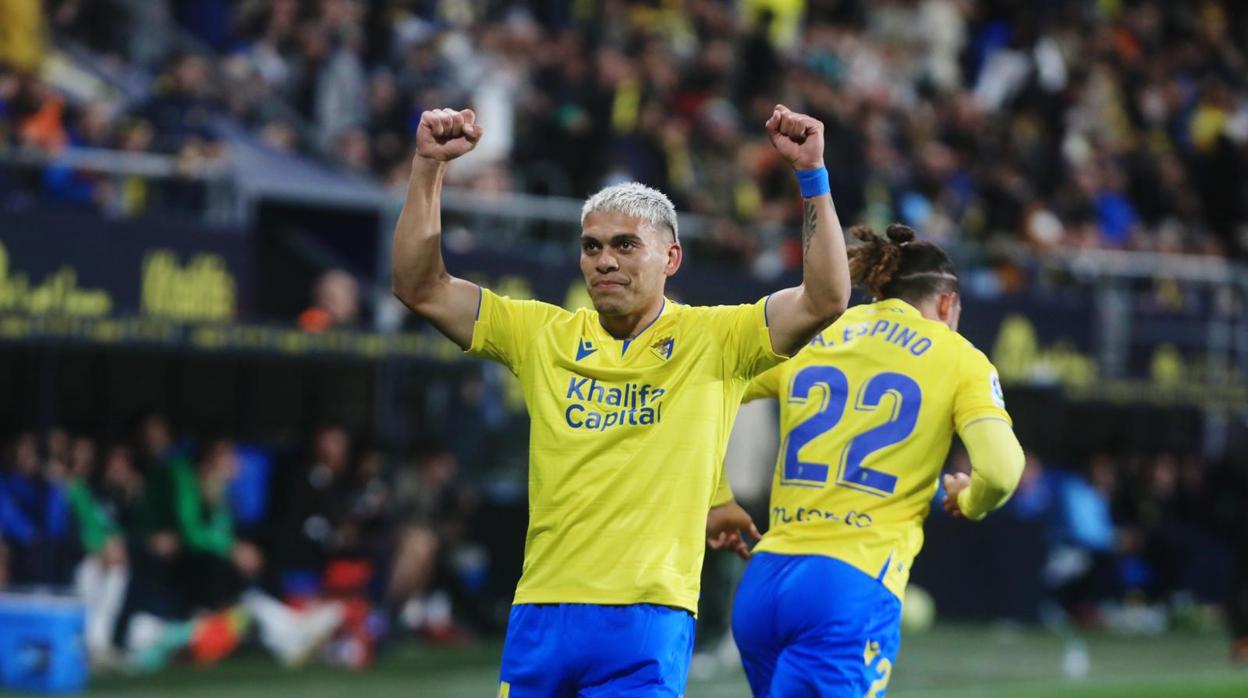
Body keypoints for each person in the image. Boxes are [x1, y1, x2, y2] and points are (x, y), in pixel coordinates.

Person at [390, 103, 851, 696]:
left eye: (626, 245)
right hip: (541, 612)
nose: (604, 260)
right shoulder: (542, 335)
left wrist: (811, 175)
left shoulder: (717, 339)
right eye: (592, 247)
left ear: (671, 258)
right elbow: (419, 286)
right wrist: (428, 166)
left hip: (647, 620)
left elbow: (825, 299)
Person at [719, 224, 1026, 697]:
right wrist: (972, 500)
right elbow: (1003, 471)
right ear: (946, 303)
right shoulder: (960, 358)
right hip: (848, 584)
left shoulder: (817, 332)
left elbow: (715, 385)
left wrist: (715, 493)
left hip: (765, 581)